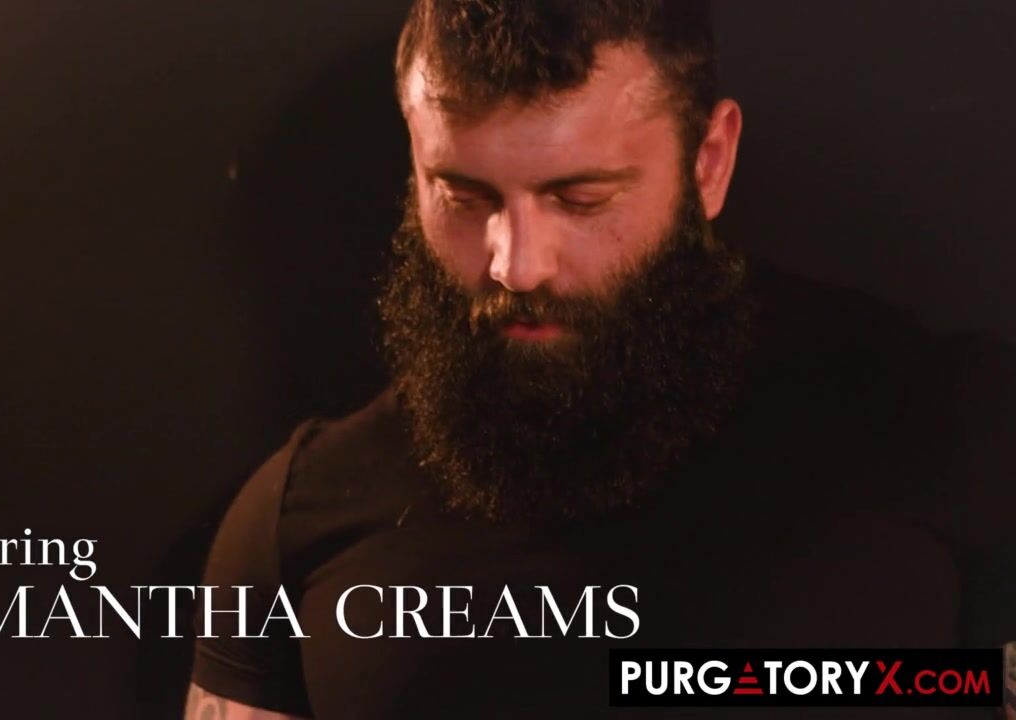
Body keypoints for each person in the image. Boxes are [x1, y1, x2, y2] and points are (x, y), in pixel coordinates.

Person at [185, 1, 1015, 717]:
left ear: (709, 162)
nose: (517, 265)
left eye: (580, 199)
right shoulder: (300, 515)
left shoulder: (950, 425)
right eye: (463, 196)